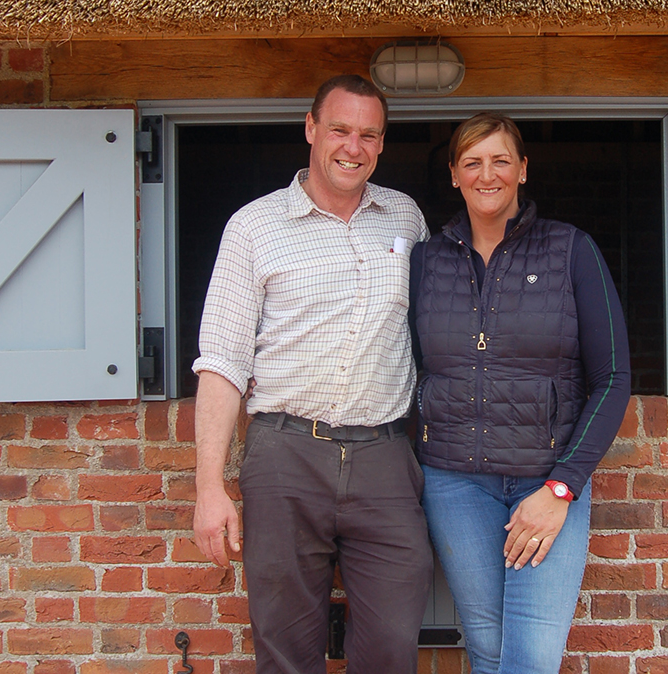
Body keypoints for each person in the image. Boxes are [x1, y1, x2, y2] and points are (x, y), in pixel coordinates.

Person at [192, 74, 433, 674]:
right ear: (310, 128)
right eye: (341, 130)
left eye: (369, 135)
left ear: (381, 143)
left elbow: (439, 331)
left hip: (384, 457)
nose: (354, 147)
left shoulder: (405, 218)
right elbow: (222, 361)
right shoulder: (254, 227)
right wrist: (208, 488)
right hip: (285, 454)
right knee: (286, 649)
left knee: (393, 647)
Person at [409, 112, 631, 673]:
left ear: (523, 169)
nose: (489, 174)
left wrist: (561, 487)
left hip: (545, 479)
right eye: (473, 162)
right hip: (455, 482)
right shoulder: (425, 263)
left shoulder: (571, 250)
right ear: (455, 176)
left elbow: (613, 378)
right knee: (486, 648)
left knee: (530, 656)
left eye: (501, 160)